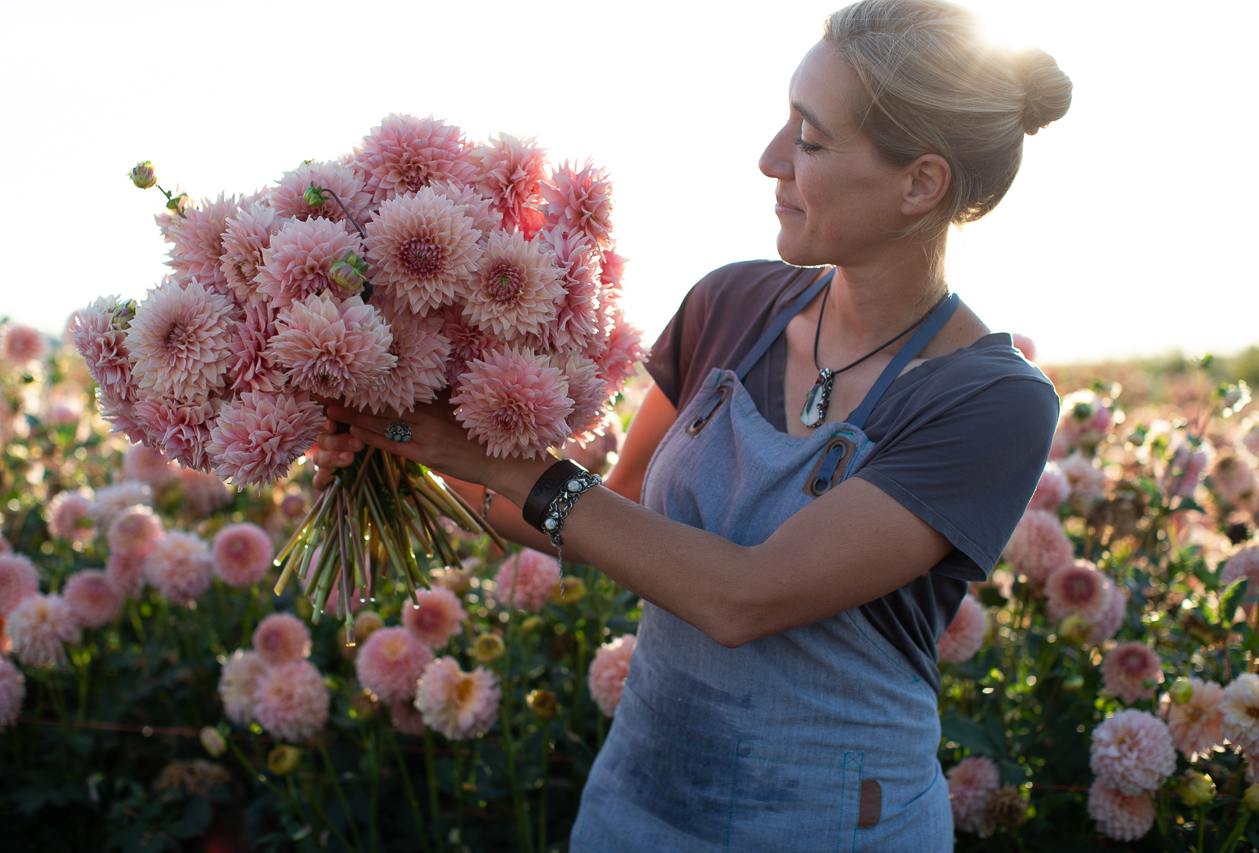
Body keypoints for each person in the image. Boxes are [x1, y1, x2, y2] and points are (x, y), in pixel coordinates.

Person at [313, 0, 1071, 847]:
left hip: (832, 824)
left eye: (810, 141)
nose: (769, 159)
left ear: (919, 183)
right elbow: (615, 516)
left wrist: (507, 467)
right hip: (638, 803)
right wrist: (397, 443)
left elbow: (742, 595)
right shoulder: (731, 303)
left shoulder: (990, 400)